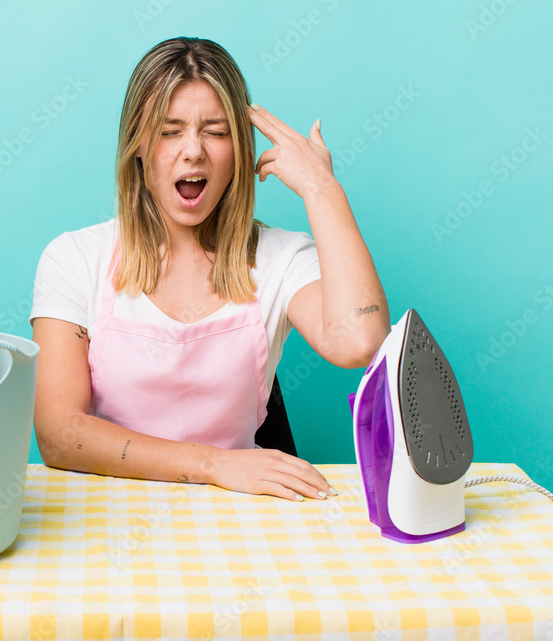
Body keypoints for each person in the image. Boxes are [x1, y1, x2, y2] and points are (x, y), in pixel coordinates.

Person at [28, 37, 390, 502]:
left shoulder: (280, 258)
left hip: (240, 520)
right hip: (107, 517)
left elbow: (361, 342)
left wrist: (323, 189)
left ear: (239, 148)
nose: (193, 151)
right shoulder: (75, 257)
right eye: (169, 129)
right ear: (138, 143)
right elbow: (60, 435)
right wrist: (213, 465)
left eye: (216, 132)